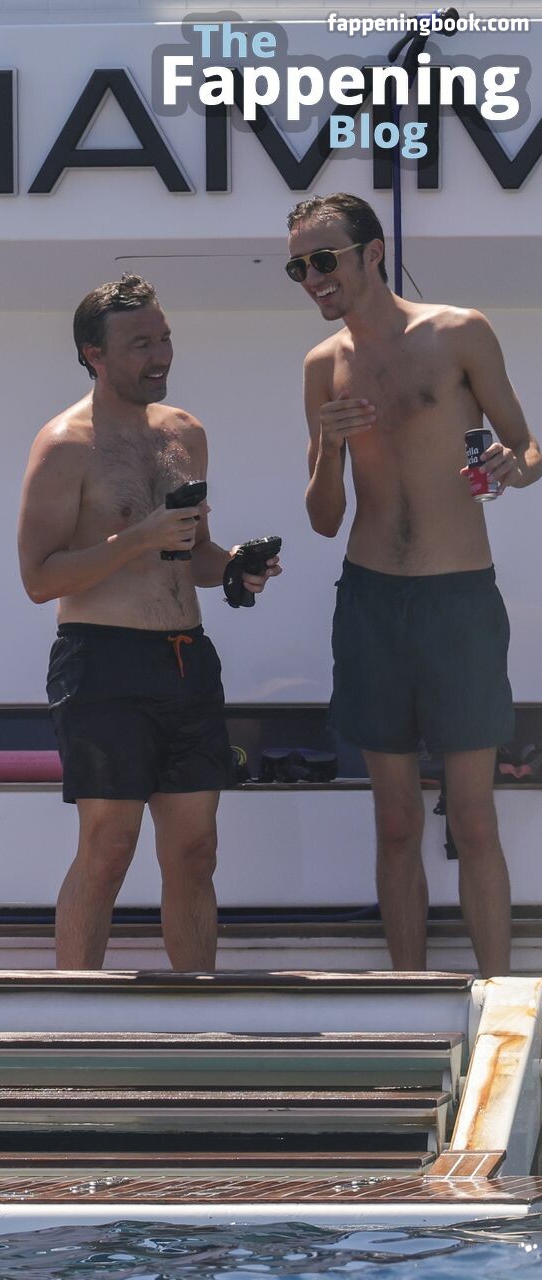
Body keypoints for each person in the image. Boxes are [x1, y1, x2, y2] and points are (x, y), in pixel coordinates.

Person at [288, 192, 536, 976]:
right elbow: (324, 519)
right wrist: (329, 448)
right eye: (299, 268)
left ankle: (500, 1003)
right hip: (371, 601)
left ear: (372, 252)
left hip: (458, 598)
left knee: (473, 816)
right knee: (394, 821)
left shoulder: (460, 332)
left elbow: (527, 447)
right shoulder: (322, 365)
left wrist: (512, 467)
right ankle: (407, 998)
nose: (312, 278)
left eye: (323, 259)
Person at [16, 276, 280, 971]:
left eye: (164, 338)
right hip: (102, 661)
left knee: (196, 851)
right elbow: (39, 578)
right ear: (94, 354)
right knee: (109, 847)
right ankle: (73, 1014)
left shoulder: (185, 433)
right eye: (140, 344)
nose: (160, 355)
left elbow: (193, 552)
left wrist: (235, 567)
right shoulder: (64, 444)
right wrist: (140, 538)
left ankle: (195, 1007)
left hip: (186, 658)